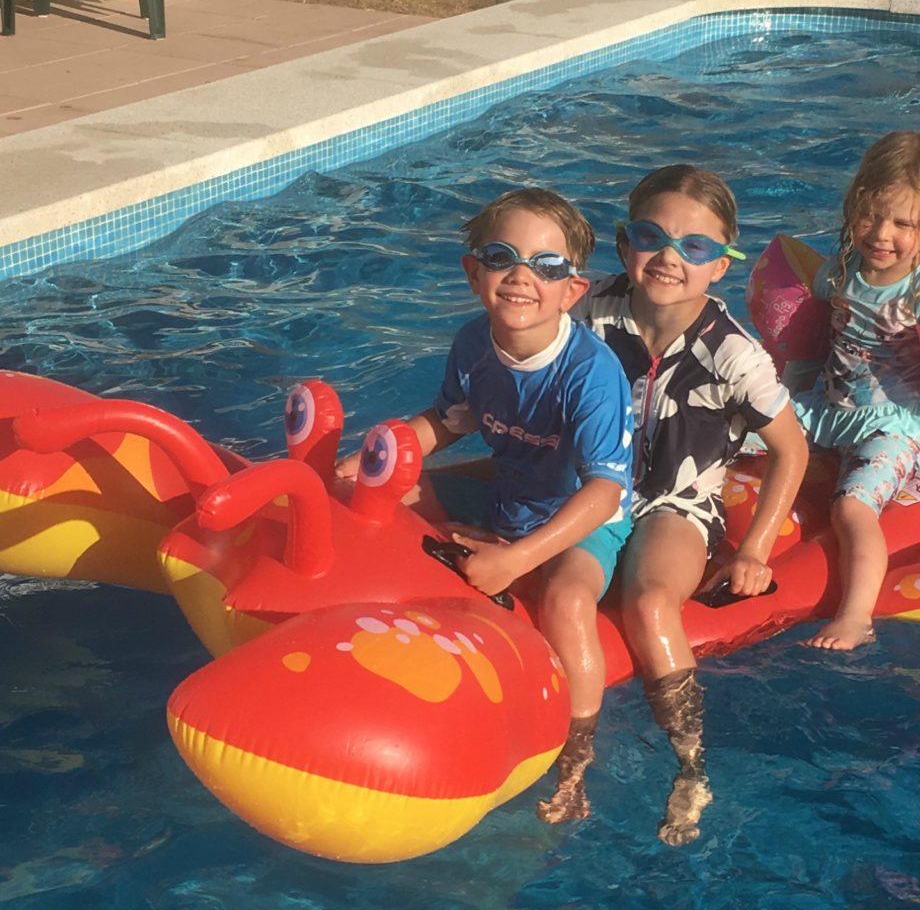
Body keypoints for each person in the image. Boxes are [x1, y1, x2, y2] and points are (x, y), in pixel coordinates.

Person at [338, 188, 636, 821]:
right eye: (504, 257)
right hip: (509, 497)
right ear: (475, 274)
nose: (524, 275)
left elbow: (604, 490)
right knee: (397, 484)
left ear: (571, 291)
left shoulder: (590, 372)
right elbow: (447, 423)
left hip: (583, 519)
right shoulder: (475, 343)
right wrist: (370, 462)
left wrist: (517, 560)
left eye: (548, 266)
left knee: (567, 598)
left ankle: (578, 753)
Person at [572, 164, 810, 846]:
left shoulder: (734, 353)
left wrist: (755, 549)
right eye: (652, 237)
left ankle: (690, 763)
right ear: (624, 245)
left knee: (648, 605)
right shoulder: (592, 314)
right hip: (593, 487)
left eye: (696, 247)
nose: (671, 257)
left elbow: (791, 451)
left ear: (721, 266)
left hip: (679, 503)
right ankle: (578, 744)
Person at [787, 131, 920, 651]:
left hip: (894, 422)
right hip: (827, 409)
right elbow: (809, 347)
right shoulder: (838, 269)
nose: (881, 234)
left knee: (851, 510)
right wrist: (779, 405)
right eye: (871, 215)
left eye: (903, 223)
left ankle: (856, 617)